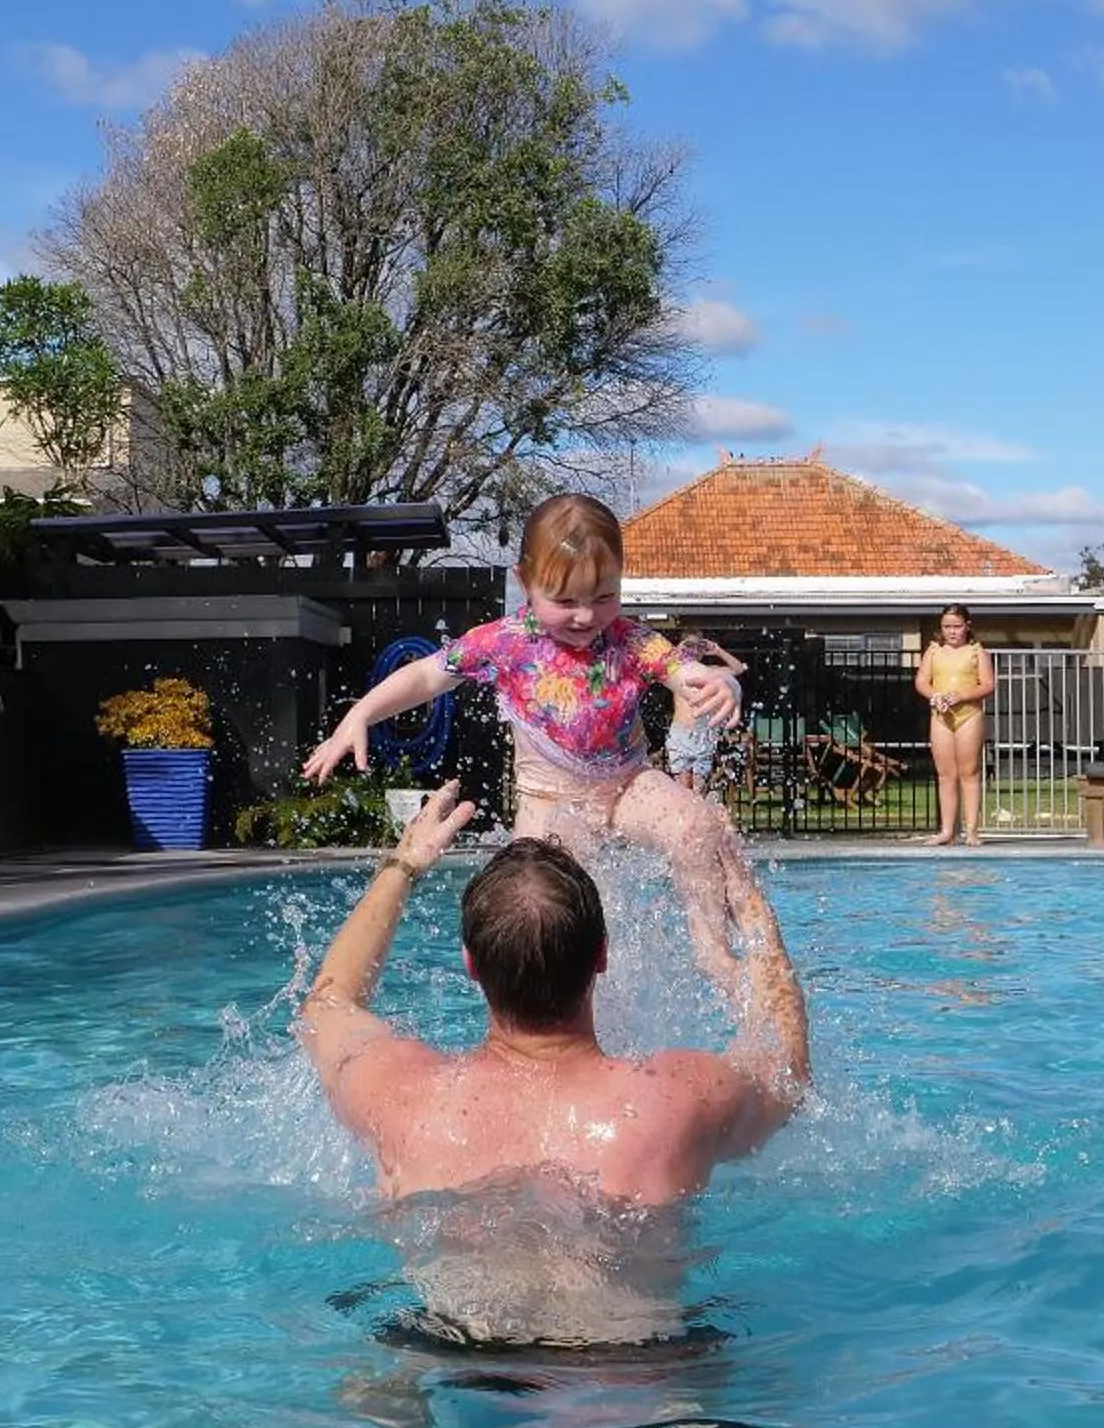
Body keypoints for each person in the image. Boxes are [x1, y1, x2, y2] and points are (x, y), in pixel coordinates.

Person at [302, 494, 758, 989]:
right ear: (525, 582)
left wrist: (723, 683)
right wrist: (361, 713)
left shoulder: (630, 640)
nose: (586, 616)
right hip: (548, 798)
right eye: (565, 601)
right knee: (539, 910)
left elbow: (684, 672)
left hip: (627, 785)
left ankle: (714, 954)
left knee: (696, 825)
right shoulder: (505, 641)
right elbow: (429, 676)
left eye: (604, 596)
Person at [299, 782, 810, 1216]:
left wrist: (403, 866)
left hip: (443, 1334)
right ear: (603, 956)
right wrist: (748, 902)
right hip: (632, 1335)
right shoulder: (678, 1098)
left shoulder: (402, 1095)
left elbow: (327, 1003)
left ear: (470, 964)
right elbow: (786, 1066)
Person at [916, 605, 996, 847]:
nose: (952, 632)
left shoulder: (977, 652)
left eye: (957, 626)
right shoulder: (933, 651)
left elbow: (988, 685)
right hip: (940, 717)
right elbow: (921, 681)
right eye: (947, 627)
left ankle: (971, 830)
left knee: (968, 772)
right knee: (945, 774)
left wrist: (962, 695)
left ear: (967, 626)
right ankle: (947, 830)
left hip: (968, 715)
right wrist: (933, 696)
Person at [662, 634, 744, 796]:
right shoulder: (675, 670)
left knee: (700, 789)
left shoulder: (711, 671)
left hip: (703, 733)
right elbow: (660, 663)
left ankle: (701, 817)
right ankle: (684, 819)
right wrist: (679, 649)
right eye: (690, 646)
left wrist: (718, 651)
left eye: (699, 647)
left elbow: (738, 669)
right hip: (681, 733)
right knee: (683, 787)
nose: (694, 650)